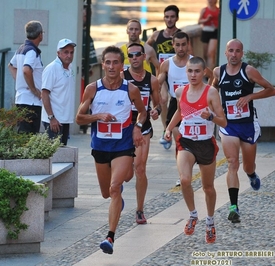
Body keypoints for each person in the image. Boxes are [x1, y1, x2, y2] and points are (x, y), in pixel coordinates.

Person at [76, 46, 147, 254]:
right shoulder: (92, 89)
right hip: (100, 146)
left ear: (121, 65)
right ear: (102, 64)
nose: (111, 66)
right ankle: (119, 189)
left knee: (115, 187)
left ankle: (110, 237)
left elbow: (142, 113)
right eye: (107, 62)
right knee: (107, 193)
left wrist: (137, 127)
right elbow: (79, 118)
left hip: (122, 146)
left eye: (115, 62)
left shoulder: (131, 90)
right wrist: (98, 116)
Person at [211, 39, 275, 223]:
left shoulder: (249, 71)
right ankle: (234, 207)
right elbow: (212, 89)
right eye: (230, 50)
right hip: (228, 124)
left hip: (247, 124)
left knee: (248, 165)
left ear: (242, 53)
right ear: (225, 53)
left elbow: (271, 90)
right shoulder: (218, 71)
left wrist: (250, 97)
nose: (234, 54)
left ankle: (251, 174)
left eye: (237, 51)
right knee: (232, 162)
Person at [164, 56, 227, 244]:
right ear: (186, 72)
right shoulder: (180, 91)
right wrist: (168, 128)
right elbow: (180, 111)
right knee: (184, 180)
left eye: (197, 71)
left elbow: (223, 121)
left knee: (208, 187)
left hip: (206, 143)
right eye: (190, 71)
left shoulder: (211, 93)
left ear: (204, 72)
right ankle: (193, 215)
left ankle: (210, 221)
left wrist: (210, 117)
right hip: (186, 142)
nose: (193, 75)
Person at [159, 32, 212, 186]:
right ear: (173, 45)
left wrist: (208, 90)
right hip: (176, 103)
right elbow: (159, 80)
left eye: (184, 44)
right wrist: (162, 91)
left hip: (196, 103)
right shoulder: (167, 64)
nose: (181, 48)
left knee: (196, 138)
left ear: (188, 44)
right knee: (179, 140)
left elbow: (211, 76)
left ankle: (198, 165)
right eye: (178, 45)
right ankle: (183, 173)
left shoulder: (194, 63)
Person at [121, 43, 160, 224]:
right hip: (124, 127)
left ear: (144, 57)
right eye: (131, 55)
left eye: (138, 54)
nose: (134, 57)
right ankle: (117, 188)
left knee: (140, 168)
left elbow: (158, 104)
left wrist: (156, 111)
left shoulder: (152, 80)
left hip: (143, 127)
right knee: (126, 172)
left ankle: (139, 209)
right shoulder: (122, 77)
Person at [146, 5, 192, 149]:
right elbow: (145, 49)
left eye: (172, 16)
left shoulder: (181, 36)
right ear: (164, 18)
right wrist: (153, 61)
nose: (169, 19)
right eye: (167, 17)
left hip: (175, 73)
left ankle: (170, 129)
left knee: (173, 100)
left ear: (177, 18)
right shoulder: (156, 35)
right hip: (162, 73)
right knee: (163, 100)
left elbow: (192, 55)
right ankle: (167, 129)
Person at [8, 20, 44, 134]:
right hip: (31, 102)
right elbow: (26, 70)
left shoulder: (21, 49)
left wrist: (21, 81)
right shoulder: (31, 51)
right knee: (29, 136)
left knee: (22, 134)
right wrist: (34, 90)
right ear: (40, 35)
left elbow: (11, 66)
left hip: (21, 98)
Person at [41, 39, 76, 145]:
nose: (69, 55)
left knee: (63, 155)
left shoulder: (70, 67)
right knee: (55, 155)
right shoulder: (51, 69)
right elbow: (44, 94)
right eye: (66, 52)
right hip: (54, 120)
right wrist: (51, 118)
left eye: (71, 52)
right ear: (58, 53)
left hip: (65, 119)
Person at [81, 2, 98, 134]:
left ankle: (83, 123)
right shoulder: (82, 35)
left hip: (82, 75)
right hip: (80, 75)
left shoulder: (86, 36)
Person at [198, 0, 220, 70]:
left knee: (210, 53)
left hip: (214, 32)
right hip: (205, 31)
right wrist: (206, 19)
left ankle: (210, 72)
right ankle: (206, 70)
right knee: (205, 54)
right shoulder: (204, 10)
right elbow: (199, 21)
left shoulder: (219, 10)